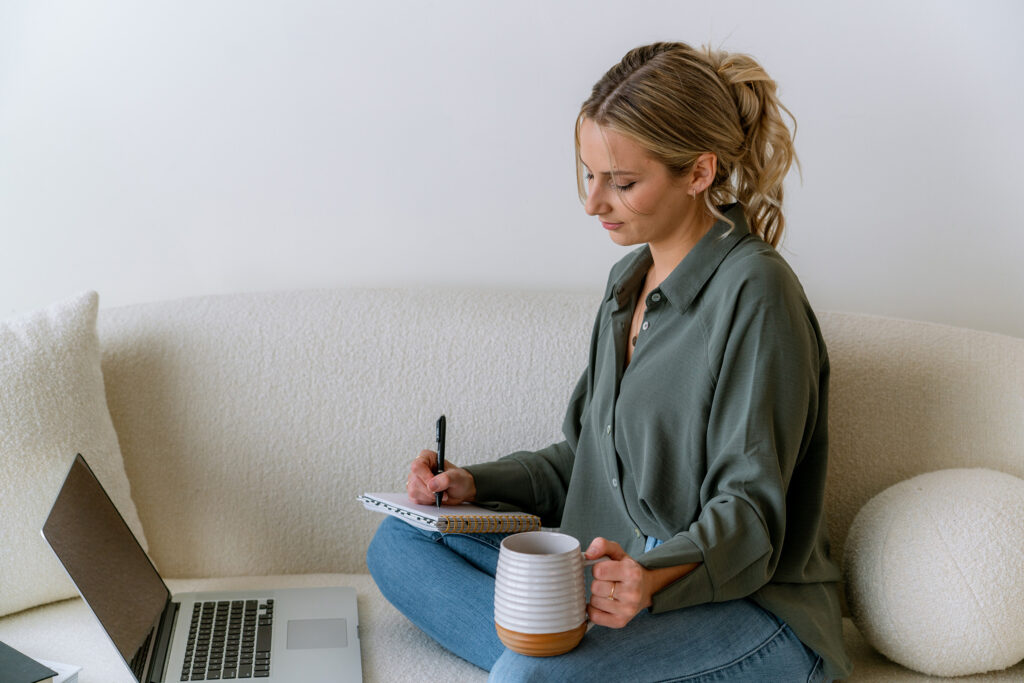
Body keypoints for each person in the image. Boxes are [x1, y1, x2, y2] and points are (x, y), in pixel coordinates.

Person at [367, 41, 852, 681]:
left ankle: (542, 663)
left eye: (622, 183)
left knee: (529, 675)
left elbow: (750, 514)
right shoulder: (627, 285)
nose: (593, 203)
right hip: (610, 582)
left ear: (699, 172)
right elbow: (587, 462)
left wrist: (647, 577)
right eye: (589, 175)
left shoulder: (757, 292)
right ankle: (551, 656)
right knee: (402, 542)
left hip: (745, 606)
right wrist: (470, 484)